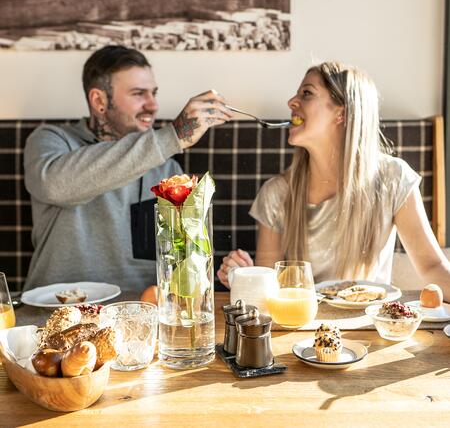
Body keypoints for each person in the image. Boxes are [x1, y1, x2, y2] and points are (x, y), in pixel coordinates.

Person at [218, 61, 450, 299]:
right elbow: (269, 287)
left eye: (307, 93)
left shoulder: (394, 178)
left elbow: (432, 267)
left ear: (342, 112)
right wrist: (243, 276)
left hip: (370, 326)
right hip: (301, 328)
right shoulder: (276, 193)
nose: (291, 102)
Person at [23, 45, 232, 292]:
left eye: (153, 93)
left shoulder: (166, 167)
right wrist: (172, 137)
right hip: (54, 309)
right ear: (99, 101)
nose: (153, 105)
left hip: (140, 312)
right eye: (138, 94)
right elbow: (55, 186)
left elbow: (188, 258)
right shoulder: (52, 141)